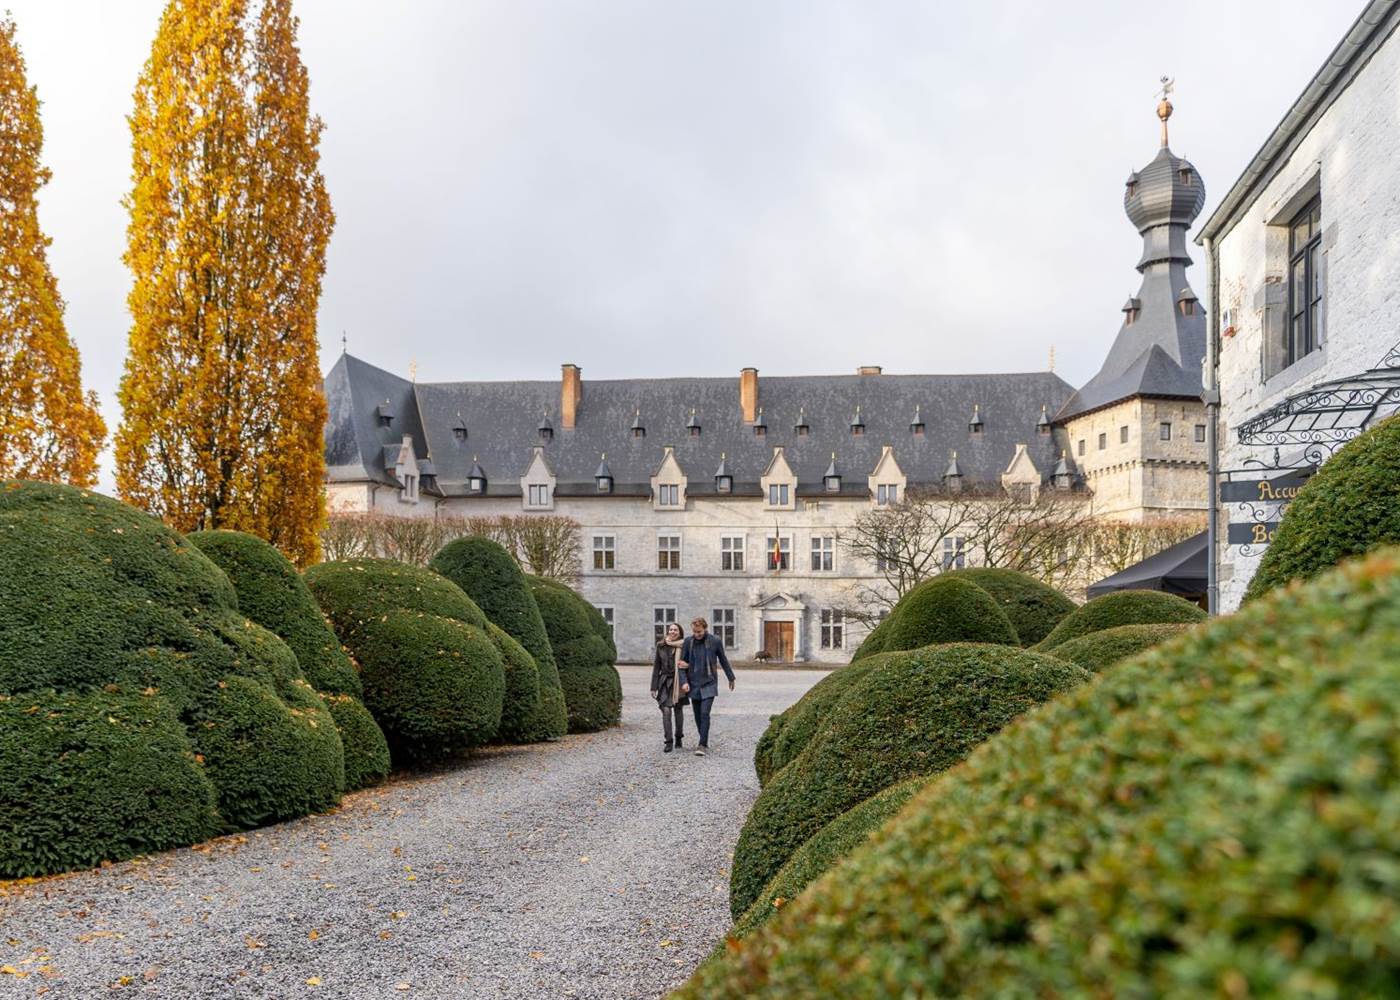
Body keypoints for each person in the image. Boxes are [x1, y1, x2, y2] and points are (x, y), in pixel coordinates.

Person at [680, 616, 735, 757]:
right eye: (694, 632)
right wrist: (684, 682)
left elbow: (723, 659)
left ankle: (702, 744)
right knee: (698, 715)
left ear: (705, 629)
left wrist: (731, 677)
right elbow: (681, 665)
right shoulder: (688, 642)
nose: (697, 634)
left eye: (699, 631)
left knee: (705, 713)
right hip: (693, 683)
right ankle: (703, 738)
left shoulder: (715, 641)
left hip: (709, 682)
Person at [651, 621, 690, 753]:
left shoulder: (684, 646)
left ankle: (679, 737)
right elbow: (656, 666)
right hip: (664, 682)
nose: (673, 632)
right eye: (671, 630)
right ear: (668, 631)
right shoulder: (660, 645)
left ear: (680, 633)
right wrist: (653, 687)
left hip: (678, 681)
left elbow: (689, 663)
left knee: (678, 711)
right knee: (666, 711)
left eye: (676, 630)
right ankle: (668, 741)